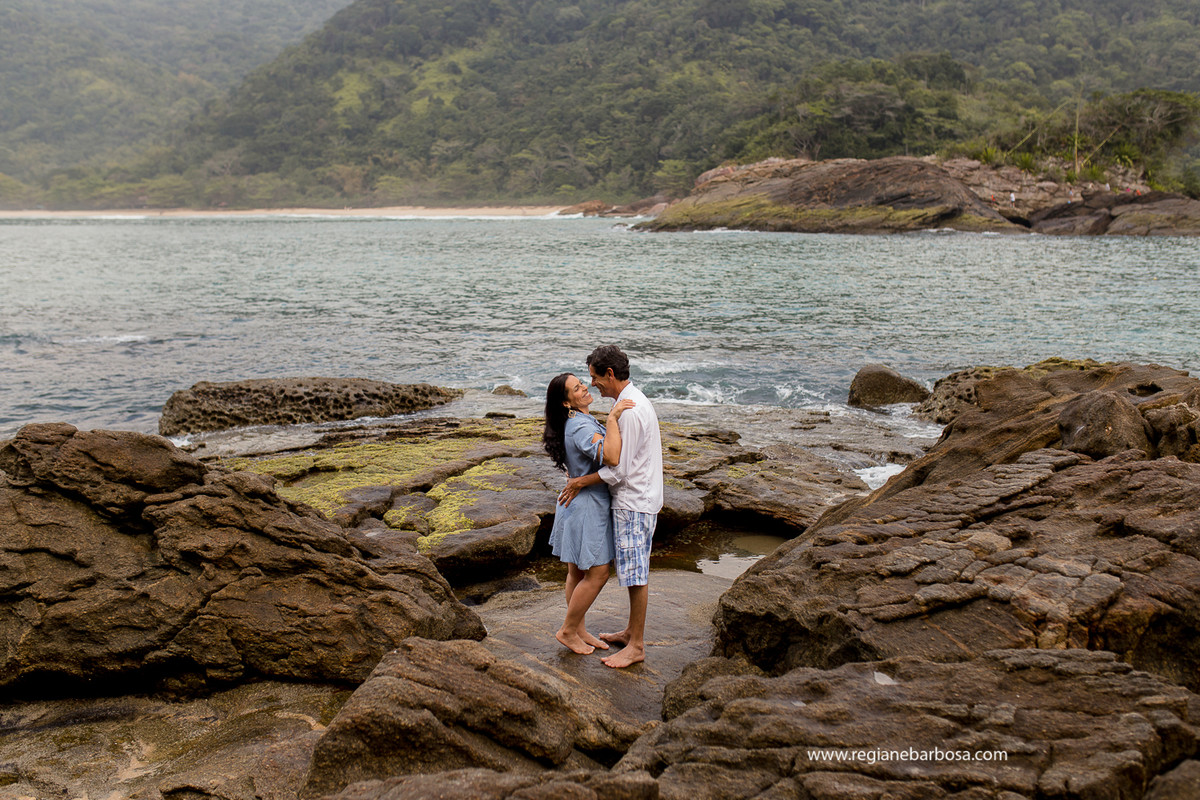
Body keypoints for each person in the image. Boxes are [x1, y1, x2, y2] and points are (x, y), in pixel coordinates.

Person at [563, 345, 663, 669]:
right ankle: (631, 631)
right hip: (640, 498)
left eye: (594, 378)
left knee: (636, 575)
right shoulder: (629, 402)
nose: (592, 385)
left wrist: (580, 481)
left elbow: (617, 469)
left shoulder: (628, 410)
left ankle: (636, 645)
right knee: (635, 569)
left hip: (634, 501)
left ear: (609, 374)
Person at [543, 372, 633, 655]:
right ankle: (568, 630)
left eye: (582, 383)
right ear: (566, 403)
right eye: (576, 388)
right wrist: (612, 417)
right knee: (598, 573)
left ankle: (578, 628)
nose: (584, 388)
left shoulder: (576, 422)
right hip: (586, 507)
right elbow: (611, 457)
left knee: (577, 571)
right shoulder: (580, 426)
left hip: (577, 504)